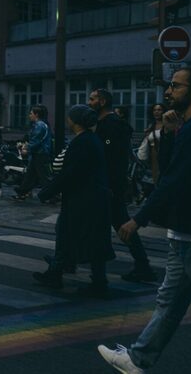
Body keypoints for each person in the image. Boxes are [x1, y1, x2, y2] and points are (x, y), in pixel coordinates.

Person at [99, 67, 191, 374]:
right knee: (169, 303)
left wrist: (138, 219)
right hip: (187, 233)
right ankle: (138, 360)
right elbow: (170, 171)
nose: (168, 91)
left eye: (176, 86)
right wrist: (169, 133)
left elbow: (173, 181)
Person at [33, 105, 115, 298]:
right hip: (90, 198)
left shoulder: (83, 142)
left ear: (75, 121)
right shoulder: (90, 140)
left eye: (70, 117)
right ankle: (58, 272)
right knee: (71, 235)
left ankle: (97, 282)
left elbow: (71, 173)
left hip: (84, 199)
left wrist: (47, 192)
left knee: (72, 235)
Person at [89, 88, 156, 284]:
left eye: (92, 99)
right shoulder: (112, 124)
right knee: (120, 224)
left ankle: (97, 277)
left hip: (108, 185)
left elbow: (109, 157)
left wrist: (107, 184)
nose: (89, 102)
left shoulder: (109, 126)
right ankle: (142, 265)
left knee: (104, 227)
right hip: (113, 184)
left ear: (102, 102)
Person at [14, 104, 53, 200]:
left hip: (40, 154)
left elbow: (36, 140)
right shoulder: (40, 125)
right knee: (31, 175)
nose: (29, 115)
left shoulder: (39, 125)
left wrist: (26, 149)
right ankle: (22, 192)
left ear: (36, 114)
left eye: (31, 113)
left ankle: (53, 195)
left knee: (43, 176)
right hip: (38, 153)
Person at [137, 103, 167, 185]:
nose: (156, 112)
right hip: (153, 156)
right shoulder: (151, 125)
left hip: (164, 154)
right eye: (154, 110)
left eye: (159, 110)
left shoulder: (167, 125)